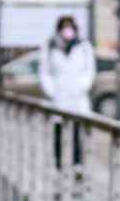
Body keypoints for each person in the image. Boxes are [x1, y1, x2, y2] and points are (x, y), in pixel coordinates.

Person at [41, 15, 97, 170]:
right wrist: (51, 90)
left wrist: (82, 86)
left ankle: (77, 163)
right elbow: (44, 72)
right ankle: (59, 163)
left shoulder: (84, 46)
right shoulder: (50, 46)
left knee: (77, 131)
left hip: (77, 96)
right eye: (64, 27)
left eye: (70, 27)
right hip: (58, 95)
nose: (67, 30)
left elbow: (89, 70)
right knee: (58, 131)